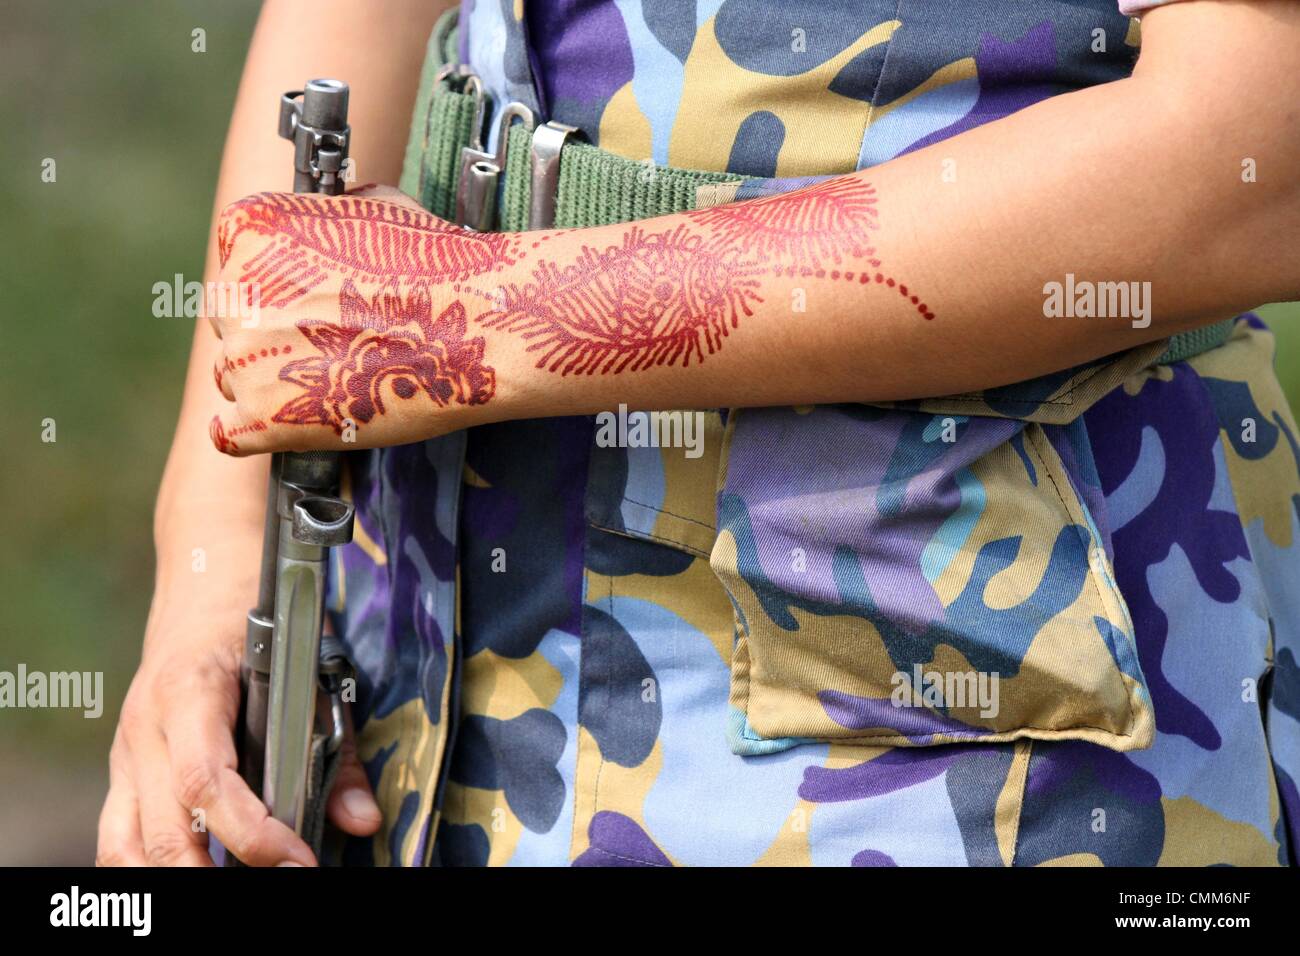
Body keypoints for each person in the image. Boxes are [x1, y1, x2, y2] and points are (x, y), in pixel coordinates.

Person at [99, 0, 1300, 867]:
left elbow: (1255, 153)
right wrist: (215, 568)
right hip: (420, 680)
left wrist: (482, 320)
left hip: (950, 732)